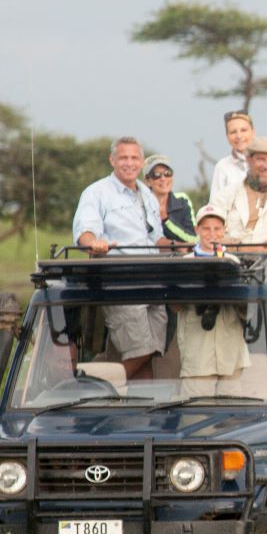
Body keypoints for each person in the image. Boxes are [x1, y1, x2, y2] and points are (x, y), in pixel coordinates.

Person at [70, 136, 170, 378]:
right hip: (122, 282)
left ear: (142, 162)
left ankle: (141, 401)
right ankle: (95, 384)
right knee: (141, 350)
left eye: (134, 158)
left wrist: (186, 246)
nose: (129, 163)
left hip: (154, 281)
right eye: (123, 157)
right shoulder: (97, 192)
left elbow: (156, 238)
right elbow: (85, 232)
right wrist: (93, 243)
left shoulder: (146, 194)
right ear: (112, 160)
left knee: (152, 352)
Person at [175, 204, 265, 398]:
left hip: (230, 350)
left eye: (217, 229)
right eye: (206, 229)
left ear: (224, 230)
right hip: (198, 351)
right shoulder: (185, 262)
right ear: (197, 230)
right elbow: (175, 307)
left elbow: (247, 310)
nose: (212, 234)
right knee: (196, 407)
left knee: (232, 407)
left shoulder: (234, 262)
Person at [209, 110, 267, 209]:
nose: (239, 136)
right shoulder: (222, 166)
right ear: (227, 136)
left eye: (243, 130)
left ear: (253, 132)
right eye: (233, 132)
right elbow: (215, 206)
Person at [142, 154, 195, 244]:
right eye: (156, 175)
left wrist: (166, 220)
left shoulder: (182, 200)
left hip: (180, 253)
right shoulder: (140, 204)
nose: (163, 179)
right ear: (148, 181)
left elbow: (193, 239)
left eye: (167, 173)